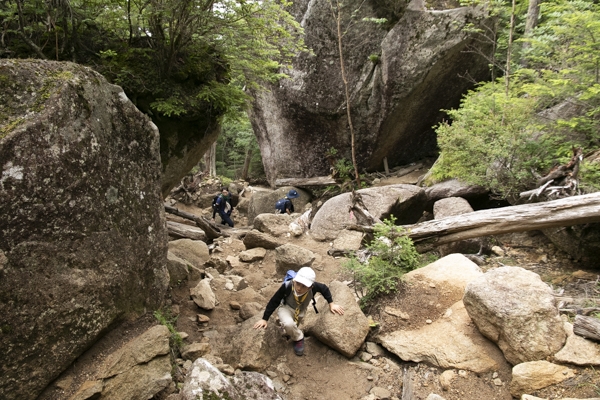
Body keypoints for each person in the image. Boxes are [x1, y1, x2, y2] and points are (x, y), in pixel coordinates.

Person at [253, 267, 345, 356]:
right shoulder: (287, 286)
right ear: (294, 281)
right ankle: (299, 338)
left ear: (310, 287)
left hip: (300, 311)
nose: (299, 288)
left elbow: (324, 288)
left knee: (292, 325)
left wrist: (331, 304)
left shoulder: (314, 287)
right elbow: (274, 301)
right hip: (286, 308)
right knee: (288, 323)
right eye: (298, 283)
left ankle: (289, 331)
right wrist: (264, 319)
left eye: (304, 286)